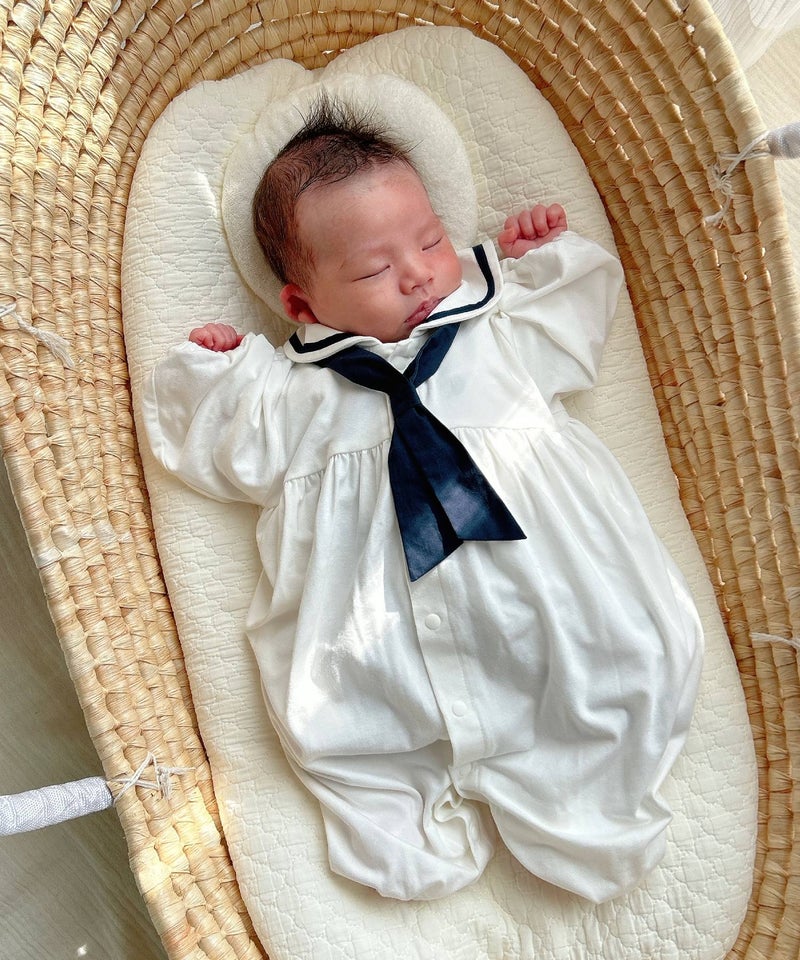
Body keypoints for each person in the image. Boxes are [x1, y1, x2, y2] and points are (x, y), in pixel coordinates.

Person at [142, 97, 703, 903]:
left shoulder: (498, 325)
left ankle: (595, 805)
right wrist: (214, 369)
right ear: (301, 306)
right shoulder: (290, 394)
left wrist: (539, 257)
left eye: (432, 241)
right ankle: (401, 831)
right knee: (349, 715)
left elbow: (581, 314)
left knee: (606, 657)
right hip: (375, 638)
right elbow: (208, 438)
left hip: (544, 595)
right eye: (373, 271)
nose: (416, 274)